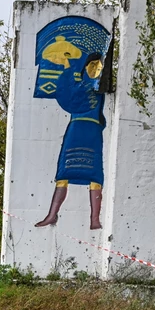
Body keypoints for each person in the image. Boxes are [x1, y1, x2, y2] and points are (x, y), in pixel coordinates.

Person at [34, 52, 107, 231]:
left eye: (98, 66)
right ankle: (52, 214)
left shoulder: (99, 86)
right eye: (92, 65)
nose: (94, 69)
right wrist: (67, 66)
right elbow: (66, 92)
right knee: (64, 172)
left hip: (92, 130)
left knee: (95, 173)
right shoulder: (77, 85)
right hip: (76, 128)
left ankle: (94, 219)